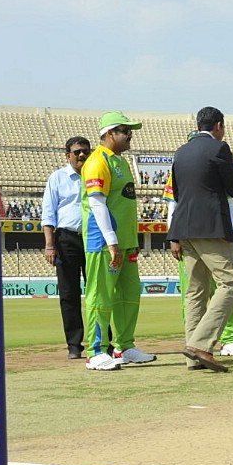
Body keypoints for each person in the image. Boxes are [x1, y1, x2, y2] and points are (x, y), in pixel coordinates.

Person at [167, 107, 233, 373]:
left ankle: (192, 356)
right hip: (211, 227)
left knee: (195, 292)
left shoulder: (181, 152)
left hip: (184, 227)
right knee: (230, 283)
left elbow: (177, 193)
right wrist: (232, 164)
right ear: (219, 126)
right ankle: (201, 345)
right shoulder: (219, 149)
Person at [81, 111, 156, 370]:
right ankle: (95, 351)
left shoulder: (120, 162)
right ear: (110, 133)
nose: (129, 134)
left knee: (129, 294)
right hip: (103, 243)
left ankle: (125, 346)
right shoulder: (97, 162)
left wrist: (127, 241)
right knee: (100, 296)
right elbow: (97, 203)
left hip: (126, 242)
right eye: (125, 130)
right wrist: (111, 240)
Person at [42, 136, 93, 359]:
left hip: (93, 237)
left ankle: (103, 341)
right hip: (66, 239)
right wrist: (50, 245)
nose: (81, 155)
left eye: (85, 151)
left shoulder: (96, 175)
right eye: (77, 152)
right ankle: (74, 344)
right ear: (67, 155)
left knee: (98, 292)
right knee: (69, 294)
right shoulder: (57, 178)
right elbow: (48, 213)